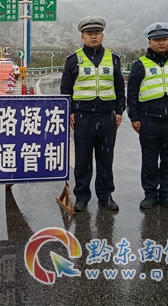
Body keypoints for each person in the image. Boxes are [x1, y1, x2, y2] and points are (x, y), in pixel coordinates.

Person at [60, 16, 125, 212]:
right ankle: (82, 196)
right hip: (83, 117)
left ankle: (105, 195)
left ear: (102, 35)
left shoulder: (113, 59)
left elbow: (119, 88)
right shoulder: (73, 60)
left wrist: (119, 111)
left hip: (107, 116)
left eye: (97, 33)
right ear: (82, 37)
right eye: (89, 34)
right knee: (83, 159)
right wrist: (70, 112)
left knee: (106, 158)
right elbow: (66, 90)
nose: (93, 37)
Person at [126, 22, 168, 211]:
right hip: (149, 120)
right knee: (149, 159)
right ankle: (150, 194)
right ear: (150, 42)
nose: (161, 43)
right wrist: (134, 117)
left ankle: (167, 194)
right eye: (157, 40)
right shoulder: (140, 65)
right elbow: (132, 94)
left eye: (164, 39)